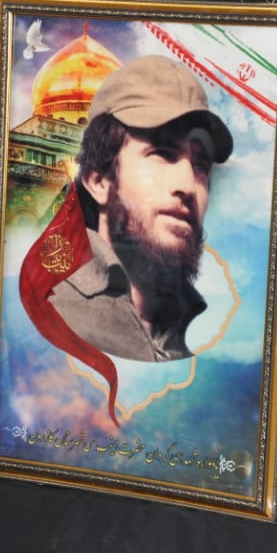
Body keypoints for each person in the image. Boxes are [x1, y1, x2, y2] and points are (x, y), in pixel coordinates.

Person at [48, 55, 233, 362]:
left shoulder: (206, 330)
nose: (188, 185)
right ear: (99, 181)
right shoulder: (46, 309)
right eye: (162, 153)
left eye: (201, 165)